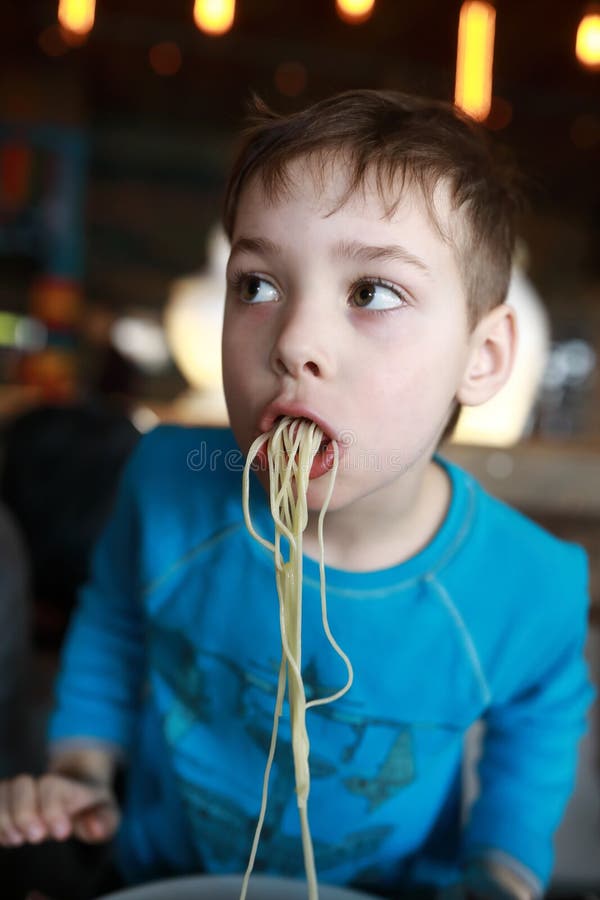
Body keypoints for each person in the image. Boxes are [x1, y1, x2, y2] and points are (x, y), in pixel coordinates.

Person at [0, 90, 594, 900]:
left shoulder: (529, 584)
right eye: (256, 285)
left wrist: (501, 865)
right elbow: (114, 623)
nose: (294, 343)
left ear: (482, 357)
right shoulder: (170, 482)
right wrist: (82, 768)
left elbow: (539, 721)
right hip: (159, 876)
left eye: (372, 292)